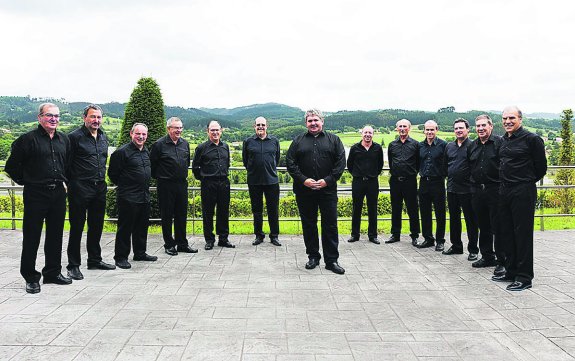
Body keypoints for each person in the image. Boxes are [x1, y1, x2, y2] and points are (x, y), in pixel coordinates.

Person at [5, 103, 72, 293]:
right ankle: (31, 277)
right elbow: (11, 166)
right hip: (35, 193)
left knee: (55, 235)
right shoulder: (27, 140)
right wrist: (27, 181)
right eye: (49, 115)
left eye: (57, 116)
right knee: (32, 236)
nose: (54, 119)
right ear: (39, 117)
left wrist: (64, 181)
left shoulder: (64, 140)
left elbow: (67, 164)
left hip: (58, 192)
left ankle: (52, 273)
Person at [492, 106, 547, 291]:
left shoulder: (532, 139)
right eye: (505, 118)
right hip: (504, 191)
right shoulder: (503, 140)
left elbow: (541, 168)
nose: (507, 121)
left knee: (522, 234)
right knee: (506, 232)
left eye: (511, 118)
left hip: (523, 191)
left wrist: (524, 183)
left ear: (520, 119)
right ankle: (511, 270)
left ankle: (524, 277)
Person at [286, 109, 346, 274]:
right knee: (309, 225)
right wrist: (303, 180)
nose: (313, 123)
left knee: (330, 225)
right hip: (304, 191)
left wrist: (327, 181)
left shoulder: (334, 140)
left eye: (316, 120)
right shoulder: (298, 141)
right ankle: (313, 256)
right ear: (306, 123)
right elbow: (290, 163)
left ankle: (331, 261)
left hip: (327, 191)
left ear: (322, 121)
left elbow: (340, 163)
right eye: (310, 120)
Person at [66, 104, 116, 281]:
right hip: (79, 187)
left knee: (96, 226)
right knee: (77, 227)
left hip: (99, 187)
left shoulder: (103, 137)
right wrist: (71, 184)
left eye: (99, 117)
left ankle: (94, 260)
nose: (96, 120)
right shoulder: (73, 138)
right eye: (92, 117)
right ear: (84, 118)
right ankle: (73, 265)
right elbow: (66, 164)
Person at [108, 123, 157, 269]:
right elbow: (113, 175)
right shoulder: (121, 152)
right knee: (125, 228)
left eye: (143, 134)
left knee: (142, 226)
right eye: (138, 134)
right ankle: (121, 257)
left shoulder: (145, 151)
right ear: (131, 134)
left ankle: (140, 253)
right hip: (128, 196)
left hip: (144, 195)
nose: (141, 137)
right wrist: (127, 186)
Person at [150, 117, 198, 256]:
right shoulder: (159, 145)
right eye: (176, 128)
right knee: (167, 216)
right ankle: (169, 244)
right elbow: (152, 166)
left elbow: (187, 162)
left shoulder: (185, 144)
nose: (179, 130)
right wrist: (162, 177)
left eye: (181, 127)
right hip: (165, 185)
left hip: (182, 184)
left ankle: (182, 243)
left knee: (181, 215)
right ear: (168, 129)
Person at [467, 115, 504, 272]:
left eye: (483, 125)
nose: (480, 128)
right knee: (483, 226)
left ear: (491, 126)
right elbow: (470, 166)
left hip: (495, 190)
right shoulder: (473, 145)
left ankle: (502, 261)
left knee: (499, 227)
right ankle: (487, 256)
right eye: (478, 126)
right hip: (477, 191)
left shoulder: (499, 143)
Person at [192, 120, 235, 250]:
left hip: (223, 183)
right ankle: (209, 240)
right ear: (208, 132)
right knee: (208, 212)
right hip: (208, 184)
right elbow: (195, 167)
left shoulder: (225, 146)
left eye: (217, 130)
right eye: (212, 130)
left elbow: (227, 164)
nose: (215, 132)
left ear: (221, 131)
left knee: (223, 211)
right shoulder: (201, 148)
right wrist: (204, 178)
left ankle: (223, 239)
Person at [443, 118, 479, 260]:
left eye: (461, 128)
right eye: (456, 128)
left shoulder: (473, 145)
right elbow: (445, 166)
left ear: (468, 130)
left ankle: (473, 249)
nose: (458, 130)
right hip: (452, 188)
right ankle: (456, 246)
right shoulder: (449, 146)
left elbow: (475, 168)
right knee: (454, 219)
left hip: (468, 190)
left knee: (471, 221)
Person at [242, 116, 282, 246]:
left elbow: (277, 159)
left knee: (273, 210)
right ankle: (258, 235)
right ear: (254, 126)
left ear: (267, 126)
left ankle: (274, 236)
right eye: (258, 125)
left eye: (263, 125)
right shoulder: (248, 141)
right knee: (257, 210)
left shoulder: (275, 141)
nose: (260, 127)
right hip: (254, 181)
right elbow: (245, 161)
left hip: (272, 181)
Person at [346, 125, 384, 244]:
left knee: (372, 208)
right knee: (356, 208)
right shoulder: (354, 148)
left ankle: (373, 235)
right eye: (365, 132)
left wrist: (372, 174)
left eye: (370, 133)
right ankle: (355, 235)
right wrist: (358, 174)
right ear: (361, 134)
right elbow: (350, 164)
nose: (368, 135)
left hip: (372, 182)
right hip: (358, 182)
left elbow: (380, 165)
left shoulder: (378, 148)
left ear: (373, 134)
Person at [386, 119, 420, 245]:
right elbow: (390, 162)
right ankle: (395, 234)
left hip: (410, 181)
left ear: (409, 128)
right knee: (395, 208)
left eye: (404, 126)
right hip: (395, 181)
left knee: (412, 208)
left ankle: (415, 235)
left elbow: (418, 163)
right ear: (396, 128)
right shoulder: (392, 145)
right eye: (399, 126)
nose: (402, 128)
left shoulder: (416, 145)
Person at [416, 120, 447, 251]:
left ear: (436, 130)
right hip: (423, 182)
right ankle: (428, 239)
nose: (429, 132)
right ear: (424, 131)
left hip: (438, 182)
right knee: (425, 212)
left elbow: (447, 163)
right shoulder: (420, 146)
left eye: (432, 130)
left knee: (440, 213)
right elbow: (417, 162)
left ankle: (440, 240)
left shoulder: (443, 145)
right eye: (427, 130)